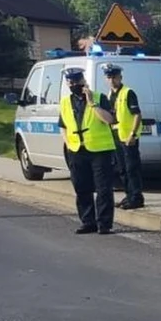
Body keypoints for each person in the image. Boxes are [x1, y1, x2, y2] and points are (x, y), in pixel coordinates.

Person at [58, 68, 117, 235]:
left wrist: (92, 104)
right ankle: (88, 222)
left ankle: (104, 224)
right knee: (81, 188)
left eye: (77, 81)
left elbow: (110, 119)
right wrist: (69, 143)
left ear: (84, 81)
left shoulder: (99, 97)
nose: (74, 85)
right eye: (70, 82)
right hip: (77, 150)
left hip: (100, 150)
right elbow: (63, 126)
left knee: (103, 189)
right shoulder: (65, 102)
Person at [104, 64, 145, 209]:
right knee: (122, 169)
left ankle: (136, 198)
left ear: (120, 77)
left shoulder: (128, 93)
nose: (112, 80)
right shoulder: (110, 95)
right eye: (109, 77)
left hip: (128, 138)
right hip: (116, 137)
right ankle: (129, 195)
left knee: (131, 169)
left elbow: (137, 115)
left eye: (114, 77)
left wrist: (132, 134)